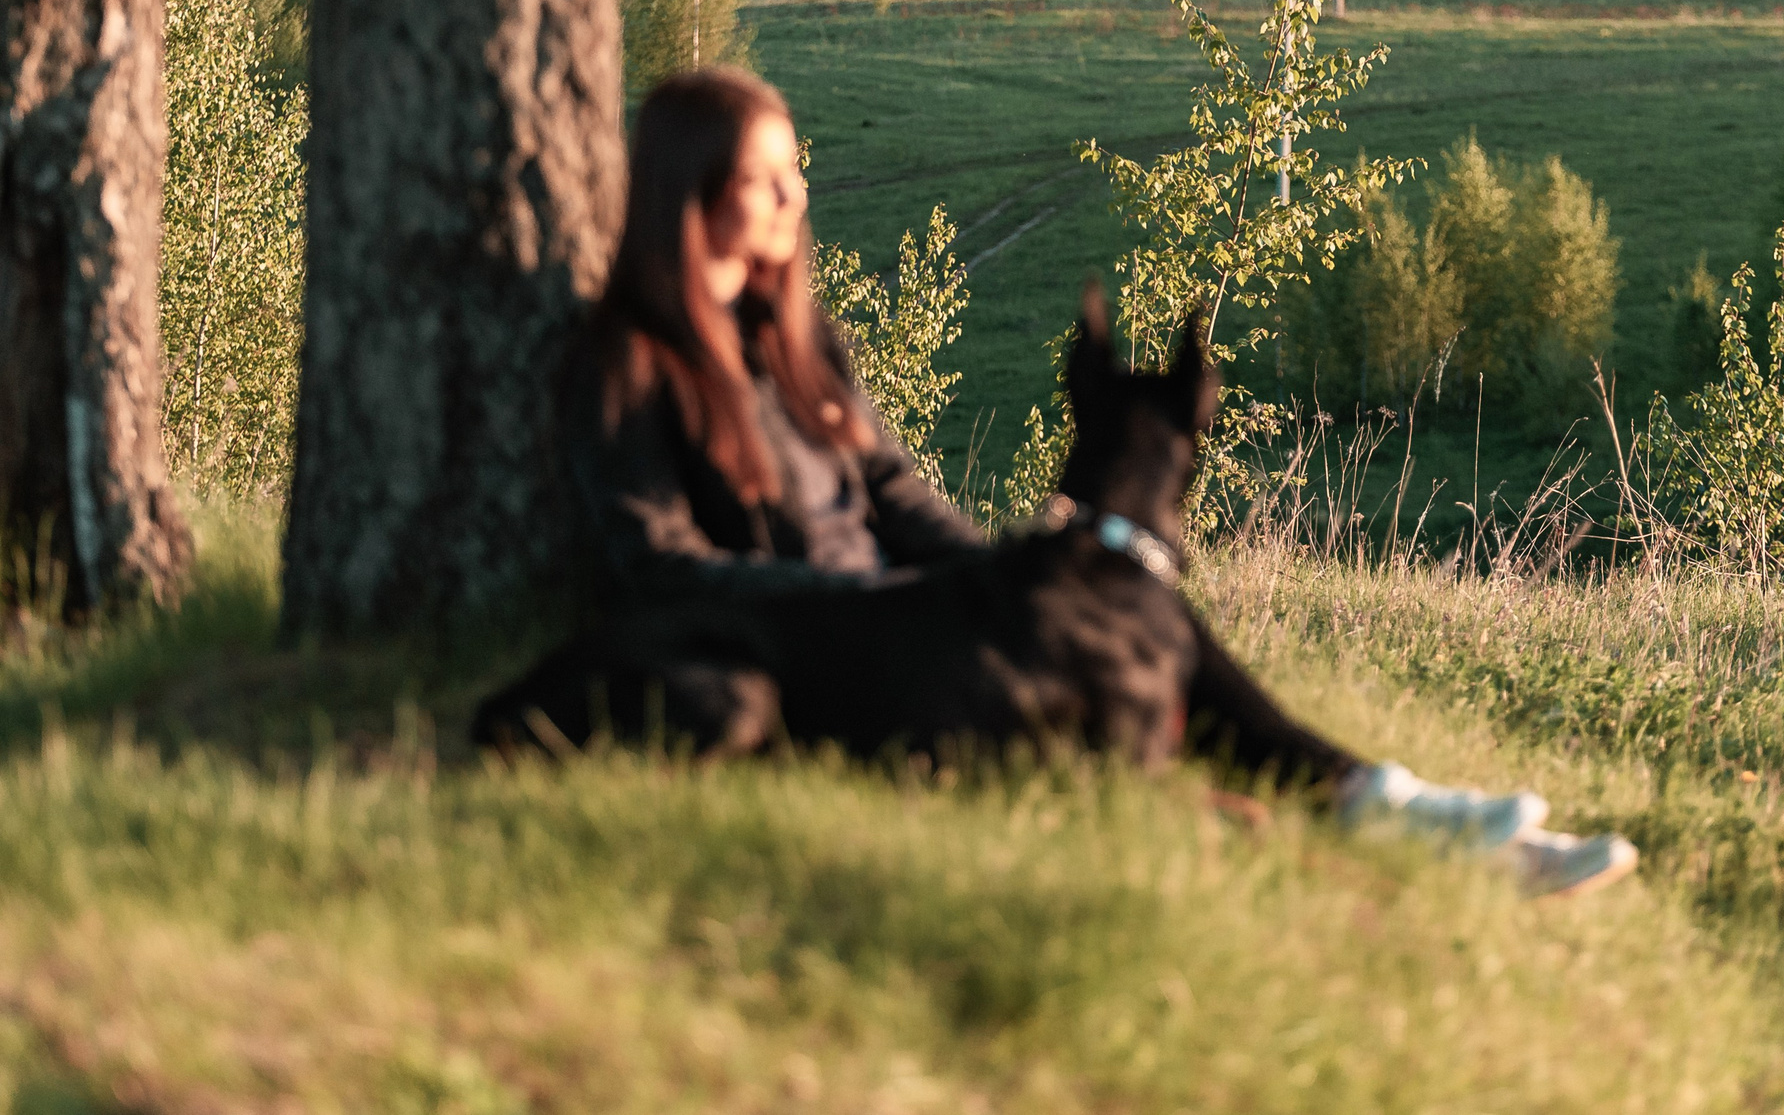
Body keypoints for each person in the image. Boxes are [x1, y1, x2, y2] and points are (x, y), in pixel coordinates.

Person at [564, 68, 1636, 897]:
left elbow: (895, 498)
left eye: (793, 165)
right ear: (690, 190)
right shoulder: (632, 359)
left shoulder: (801, 346)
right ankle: (1393, 820)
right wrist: (867, 602)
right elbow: (651, 561)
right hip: (826, 645)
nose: (796, 191)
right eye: (764, 176)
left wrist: (1012, 577)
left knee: (1128, 604)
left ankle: (1396, 806)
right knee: (1128, 640)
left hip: (914, 622)